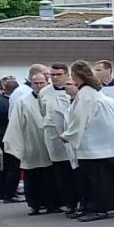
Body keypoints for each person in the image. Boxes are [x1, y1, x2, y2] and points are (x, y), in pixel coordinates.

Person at [60, 60, 114, 221]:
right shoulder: (90, 92)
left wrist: (68, 135)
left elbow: (79, 118)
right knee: (92, 178)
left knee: (97, 179)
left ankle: (98, 209)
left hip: (95, 143)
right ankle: (91, 207)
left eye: (72, 76)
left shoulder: (86, 94)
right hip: (98, 142)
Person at [42, 63, 80, 216]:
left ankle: (80, 202)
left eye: (58, 74)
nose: (55, 78)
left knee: (76, 172)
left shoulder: (74, 88)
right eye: (52, 75)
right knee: (62, 173)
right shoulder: (45, 92)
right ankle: (69, 203)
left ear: (66, 74)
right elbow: (42, 112)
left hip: (73, 137)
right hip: (55, 137)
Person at [0, 75, 38, 205]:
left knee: (8, 166)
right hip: (14, 134)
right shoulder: (23, 96)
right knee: (14, 167)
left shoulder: (10, 97)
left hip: (5, 134)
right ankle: (9, 194)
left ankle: (4, 192)